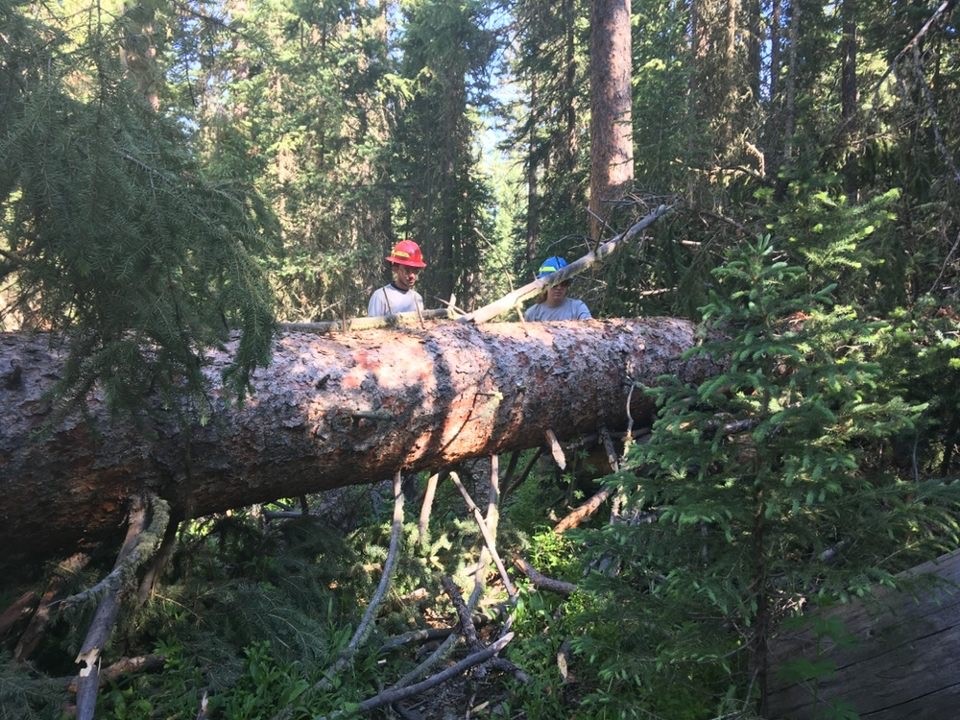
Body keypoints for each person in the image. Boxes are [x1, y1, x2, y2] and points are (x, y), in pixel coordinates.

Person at [367, 239, 427, 317]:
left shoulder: (417, 298)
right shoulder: (381, 297)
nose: (412, 276)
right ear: (395, 269)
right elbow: (372, 327)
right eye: (407, 270)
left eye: (415, 271)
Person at [524, 255, 592, 321]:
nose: (559, 287)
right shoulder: (532, 314)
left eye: (564, 283)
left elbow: (590, 327)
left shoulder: (578, 308)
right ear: (545, 285)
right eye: (554, 283)